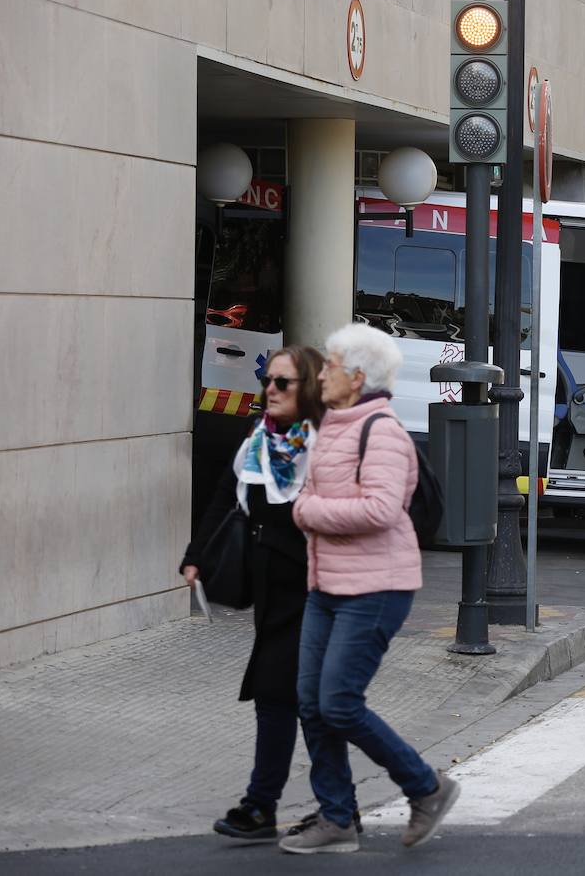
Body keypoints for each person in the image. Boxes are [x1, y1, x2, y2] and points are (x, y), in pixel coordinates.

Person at [279, 323, 458, 854]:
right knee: (310, 703)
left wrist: (306, 512)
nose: (322, 373)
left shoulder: (381, 432)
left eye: (331, 364)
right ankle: (337, 819)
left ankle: (426, 786)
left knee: (337, 702)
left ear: (356, 378)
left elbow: (381, 510)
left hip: (377, 588)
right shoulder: (332, 425)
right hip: (328, 584)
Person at [181, 345, 332, 841]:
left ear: (307, 388)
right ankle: (269, 805)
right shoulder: (257, 439)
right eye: (268, 380)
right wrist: (197, 555)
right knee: (278, 694)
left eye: (283, 383)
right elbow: (228, 495)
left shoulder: (326, 445)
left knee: (299, 697)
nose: (270, 389)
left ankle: (304, 806)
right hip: (271, 589)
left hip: (315, 588)